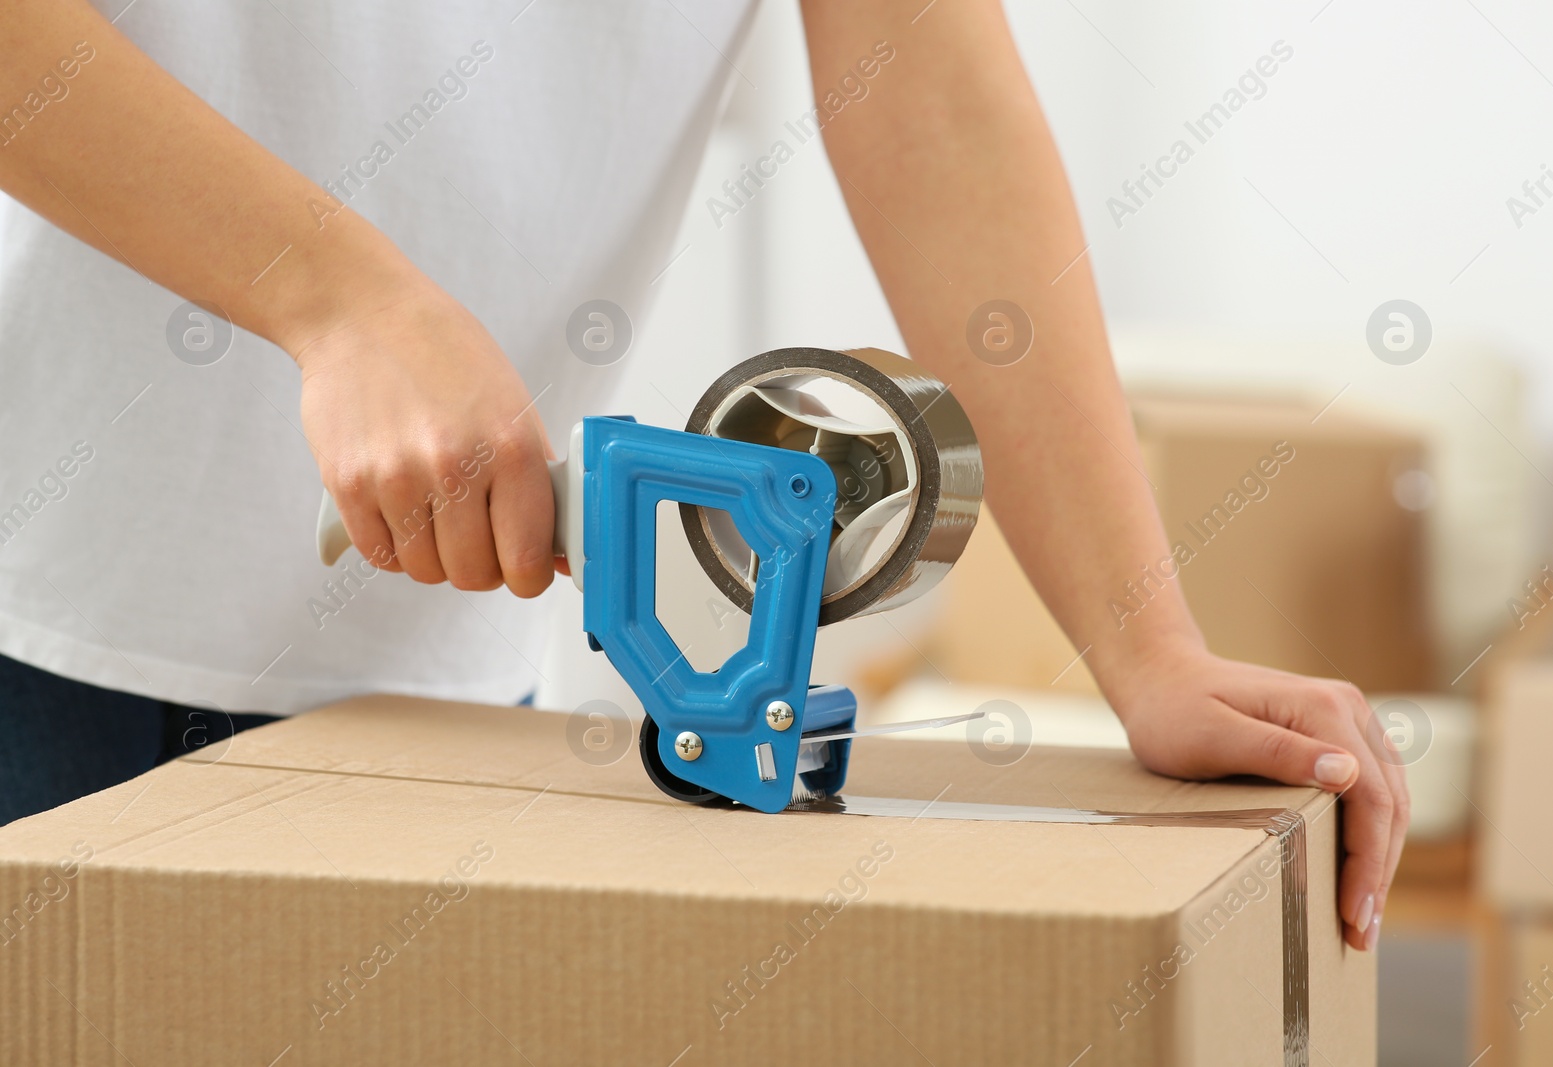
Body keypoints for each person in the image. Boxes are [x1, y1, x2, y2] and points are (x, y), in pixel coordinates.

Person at [0, 0, 1404, 952]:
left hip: (442, 693)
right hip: (39, 627)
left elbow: (932, 91)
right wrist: (337, 298)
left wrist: (1145, 643)